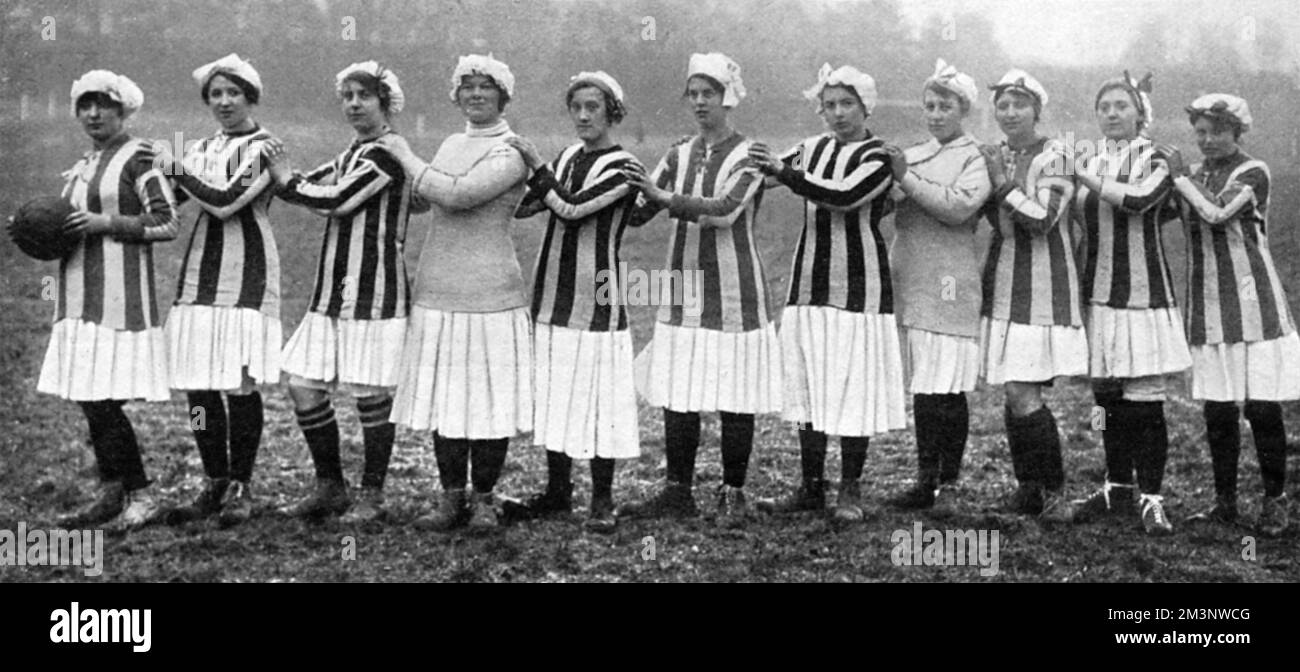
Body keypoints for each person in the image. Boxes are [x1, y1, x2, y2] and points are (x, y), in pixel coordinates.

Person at [620, 52, 782, 528]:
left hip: (735, 292)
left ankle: (733, 492)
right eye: (692, 94)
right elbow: (639, 208)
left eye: (708, 93)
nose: (699, 102)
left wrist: (660, 196)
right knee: (679, 392)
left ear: (728, 97)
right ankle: (677, 492)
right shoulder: (677, 152)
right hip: (682, 289)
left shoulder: (751, 154)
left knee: (735, 394)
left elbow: (724, 210)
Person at [748, 63, 906, 523]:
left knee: (852, 387)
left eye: (847, 104)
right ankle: (811, 485)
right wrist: (734, 158)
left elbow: (842, 196)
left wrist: (784, 171)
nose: (837, 114)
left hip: (859, 288)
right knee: (806, 387)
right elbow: (767, 172)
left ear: (865, 106)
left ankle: (851, 488)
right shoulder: (811, 148)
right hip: (807, 285)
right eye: (829, 105)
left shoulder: (879, 155)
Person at [381, 54, 532, 533]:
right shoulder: (450, 143)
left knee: (486, 401)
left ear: (503, 96)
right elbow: (431, 197)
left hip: (490, 292)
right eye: (467, 87)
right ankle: (451, 499)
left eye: (486, 87)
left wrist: (404, 155)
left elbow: (460, 194)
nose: (476, 94)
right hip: (437, 287)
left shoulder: (513, 151)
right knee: (446, 400)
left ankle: (484, 499)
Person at [266, 61, 415, 524]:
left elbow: (332, 199)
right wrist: (286, 179)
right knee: (303, 385)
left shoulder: (388, 155)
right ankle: (330, 486)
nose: (353, 104)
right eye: (347, 96)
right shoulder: (354, 151)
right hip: (331, 293)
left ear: (384, 102)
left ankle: (372, 496)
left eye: (363, 96)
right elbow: (311, 184)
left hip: (374, 292)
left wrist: (286, 178)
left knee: (370, 393)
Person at [500, 71, 644, 533]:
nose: (583, 116)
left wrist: (538, 169)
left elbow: (573, 208)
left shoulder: (624, 166)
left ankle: (602, 499)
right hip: (552, 295)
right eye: (576, 107)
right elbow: (529, 206)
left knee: (600, 398)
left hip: (598, 299)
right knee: (555, 394)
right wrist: (510, 175)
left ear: (612, 113)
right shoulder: (564, 158)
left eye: (593, 108)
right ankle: (558, 493)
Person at [39, 70, 178, 530]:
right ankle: (112, 491)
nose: (93, 113)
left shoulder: (141, 158)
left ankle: (140, 494)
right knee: (87, 395)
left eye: (104, 105)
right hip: (77, 294)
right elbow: (64, 225)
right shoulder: (84, 163)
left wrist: (107, 224)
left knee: (101, 399)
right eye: (86, 105)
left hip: (120, 298)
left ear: (124, 111)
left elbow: (167, 222)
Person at [1065, 72, 1191, 535]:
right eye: (1104, 107)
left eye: (1121, 105)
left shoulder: (1157, 157)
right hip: (1097, 295)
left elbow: (1139, 202)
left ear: (1140, 112)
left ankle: (1153, 498)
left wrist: (1082, 174)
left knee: (1144, 401)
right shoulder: (1093, 158)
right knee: (1106, 400)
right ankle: (1116, 487)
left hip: (1143, 295)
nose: (1112, 114)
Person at [161, 54, 282, 527]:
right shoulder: (199, 146)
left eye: (234, 92)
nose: (225, 101)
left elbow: (226, 201)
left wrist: (177, 167)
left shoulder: (266, 147)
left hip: (246, 274)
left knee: (238, 382)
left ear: (250, 97)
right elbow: (169, 201)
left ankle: (241, 484)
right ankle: (212, 479)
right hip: (198, 273)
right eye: (216, 94)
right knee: (198, 384)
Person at [1169, 94, 1297, 537]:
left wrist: (1178, 176)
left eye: (1217, 131)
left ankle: (1275, 500)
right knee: (1218, 409)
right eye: (1200, 132)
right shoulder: (1196, 174)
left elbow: (1217, 212)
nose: (1207, 140)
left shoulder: (1253, 170)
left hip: (1253, 302)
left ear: (1237, 132)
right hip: (1208, 303)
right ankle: (1225, 501)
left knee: (1261, 406)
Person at [978, 69, 1086, 520]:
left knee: (1025, 393)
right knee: (1013, 392)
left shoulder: (1057, 155)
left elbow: (1042, 220)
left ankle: (1057, 495)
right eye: (1002, 105)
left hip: (1043, 288)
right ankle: (1029, 489)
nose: (1009, 112)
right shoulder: (999, 153)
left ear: (1037, 110)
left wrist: (1002, 185)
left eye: (1019, 104)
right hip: (1002, 283)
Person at [883, 59, 991, 513]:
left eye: (945, 105)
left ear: (963, 109)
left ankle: (948, 484)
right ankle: (925, 480)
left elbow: (957, 208)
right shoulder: (914, 152)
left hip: (950, 283)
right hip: (911, 279)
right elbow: (884, 203)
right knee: (925, 389)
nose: (935, 114)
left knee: (947, 388)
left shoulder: (975, 157)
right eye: (929, 105)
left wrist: (904, 176)